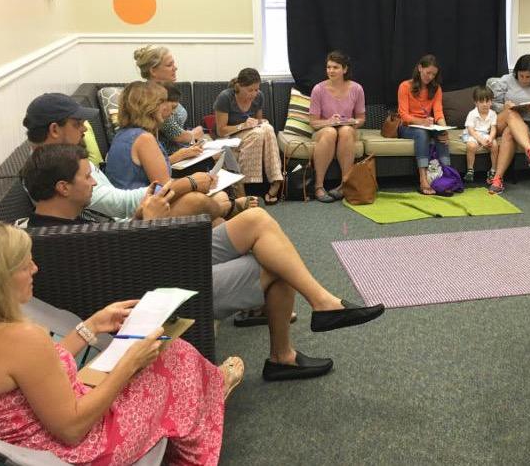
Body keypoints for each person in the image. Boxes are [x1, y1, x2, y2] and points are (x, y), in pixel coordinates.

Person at [22, 144, 386, 381]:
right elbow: (132, 281)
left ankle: (322, 303)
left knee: (256, 222)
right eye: (87, 177)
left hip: (160, 258)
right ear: (62, 187)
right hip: (164, 288)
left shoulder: (64, 223)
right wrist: (150, 225)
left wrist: (140, 220)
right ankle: (284, 354)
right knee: (275, 263)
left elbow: (118, 252)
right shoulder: (61, 243)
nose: (93, 182)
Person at [0, 221, 244, 465]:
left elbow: (37, 372)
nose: (35, 268)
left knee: (167, 359)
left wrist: (92, 326)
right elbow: (72, 429)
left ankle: (206, 396)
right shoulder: (23, 339)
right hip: (85, 450)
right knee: (175, 357)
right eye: (25, 265)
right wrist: (129, 363)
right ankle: (197, 435)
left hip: (36, 445)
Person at [23, 93, 249, 224]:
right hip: (123, 225)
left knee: (215, 213)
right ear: (54, 129)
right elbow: (120, 204)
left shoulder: (69, 157)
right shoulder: (49, 171)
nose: (84, 129)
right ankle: (228, 209)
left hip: (130, 215)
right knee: (197, 202)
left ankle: (226, 212)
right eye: (77, 124)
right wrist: (188, 183)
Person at [104, 81, 232, 225]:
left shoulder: (123, 134)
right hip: (139, 214)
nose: (168, 109)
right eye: (162, 102)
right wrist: (194, 181)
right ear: (149, 106)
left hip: (135, 209)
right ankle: (229, 208)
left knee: (217, 218)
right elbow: (164, 190)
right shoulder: (143, 138)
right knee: (200, 201)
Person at [213, 68, 283, 205]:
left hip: (251, 133)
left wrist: (260, 122)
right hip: (229, 137)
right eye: (250, 90)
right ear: (239, 86)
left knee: (268, 128)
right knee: (258, 133)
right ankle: (245, 187)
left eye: (256, 89)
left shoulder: (259, 97)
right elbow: (221, 131)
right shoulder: (225, 97)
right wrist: (242, 126)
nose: (254, 94)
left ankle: (276, 180)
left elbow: (258, 121)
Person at [486, 54, 530, 194]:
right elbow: (492, 104)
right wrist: (504, 107)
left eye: (528, 77)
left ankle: (497, 180)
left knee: (509, 133)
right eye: (521, 76)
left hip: (529, 122)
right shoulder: (506, 80)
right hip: (502, 120)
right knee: (511, 113)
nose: (525, 80)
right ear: (516, 72)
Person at [308, 51, 366, 203]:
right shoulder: (318, 89)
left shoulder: (357, 89)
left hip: (347, 129)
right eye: (328, 67)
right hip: (324, 130)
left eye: (335, 67)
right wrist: (329, 122)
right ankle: (318, 186)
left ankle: (344, 184)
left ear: (344, 69)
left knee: (345, 131)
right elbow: (313, 122)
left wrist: (353, 121)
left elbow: (361, 119)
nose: (331, 71)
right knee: (330, 132)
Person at [134, 45, 204, 156]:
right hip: (168, 156)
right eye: (169, 65)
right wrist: (193, 134)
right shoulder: (151, 98)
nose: (175, 68)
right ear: (153, 70)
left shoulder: (166, 91)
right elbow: (175, 134)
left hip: (182, 150)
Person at [398, 54, 451, 195]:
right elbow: (404, 115)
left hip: (427, 126)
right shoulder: (405, 86)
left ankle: (447, 177)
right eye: (428, 73)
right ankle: (423, 179)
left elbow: (438, 112)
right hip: (407, 127)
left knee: (441, 135)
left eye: (434, 74)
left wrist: (444, 129)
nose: (430, 77)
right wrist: (422, 122)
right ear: (420, 68)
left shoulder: (436, 88)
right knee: (421, 133)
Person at [461, 86, 499, 185]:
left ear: (491, 102)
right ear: (476, 102)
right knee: (471, 146)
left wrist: (490, 138)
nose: (485, 104)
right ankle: (470, 169)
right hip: (473, 133)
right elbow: (471, 130)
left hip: (486, 134)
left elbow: (493, 128)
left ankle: (493, 170)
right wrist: (481, 140)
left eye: (487, 101)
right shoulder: (472, 114)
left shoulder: (493, 114)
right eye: (481, 102)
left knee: (494, 144)